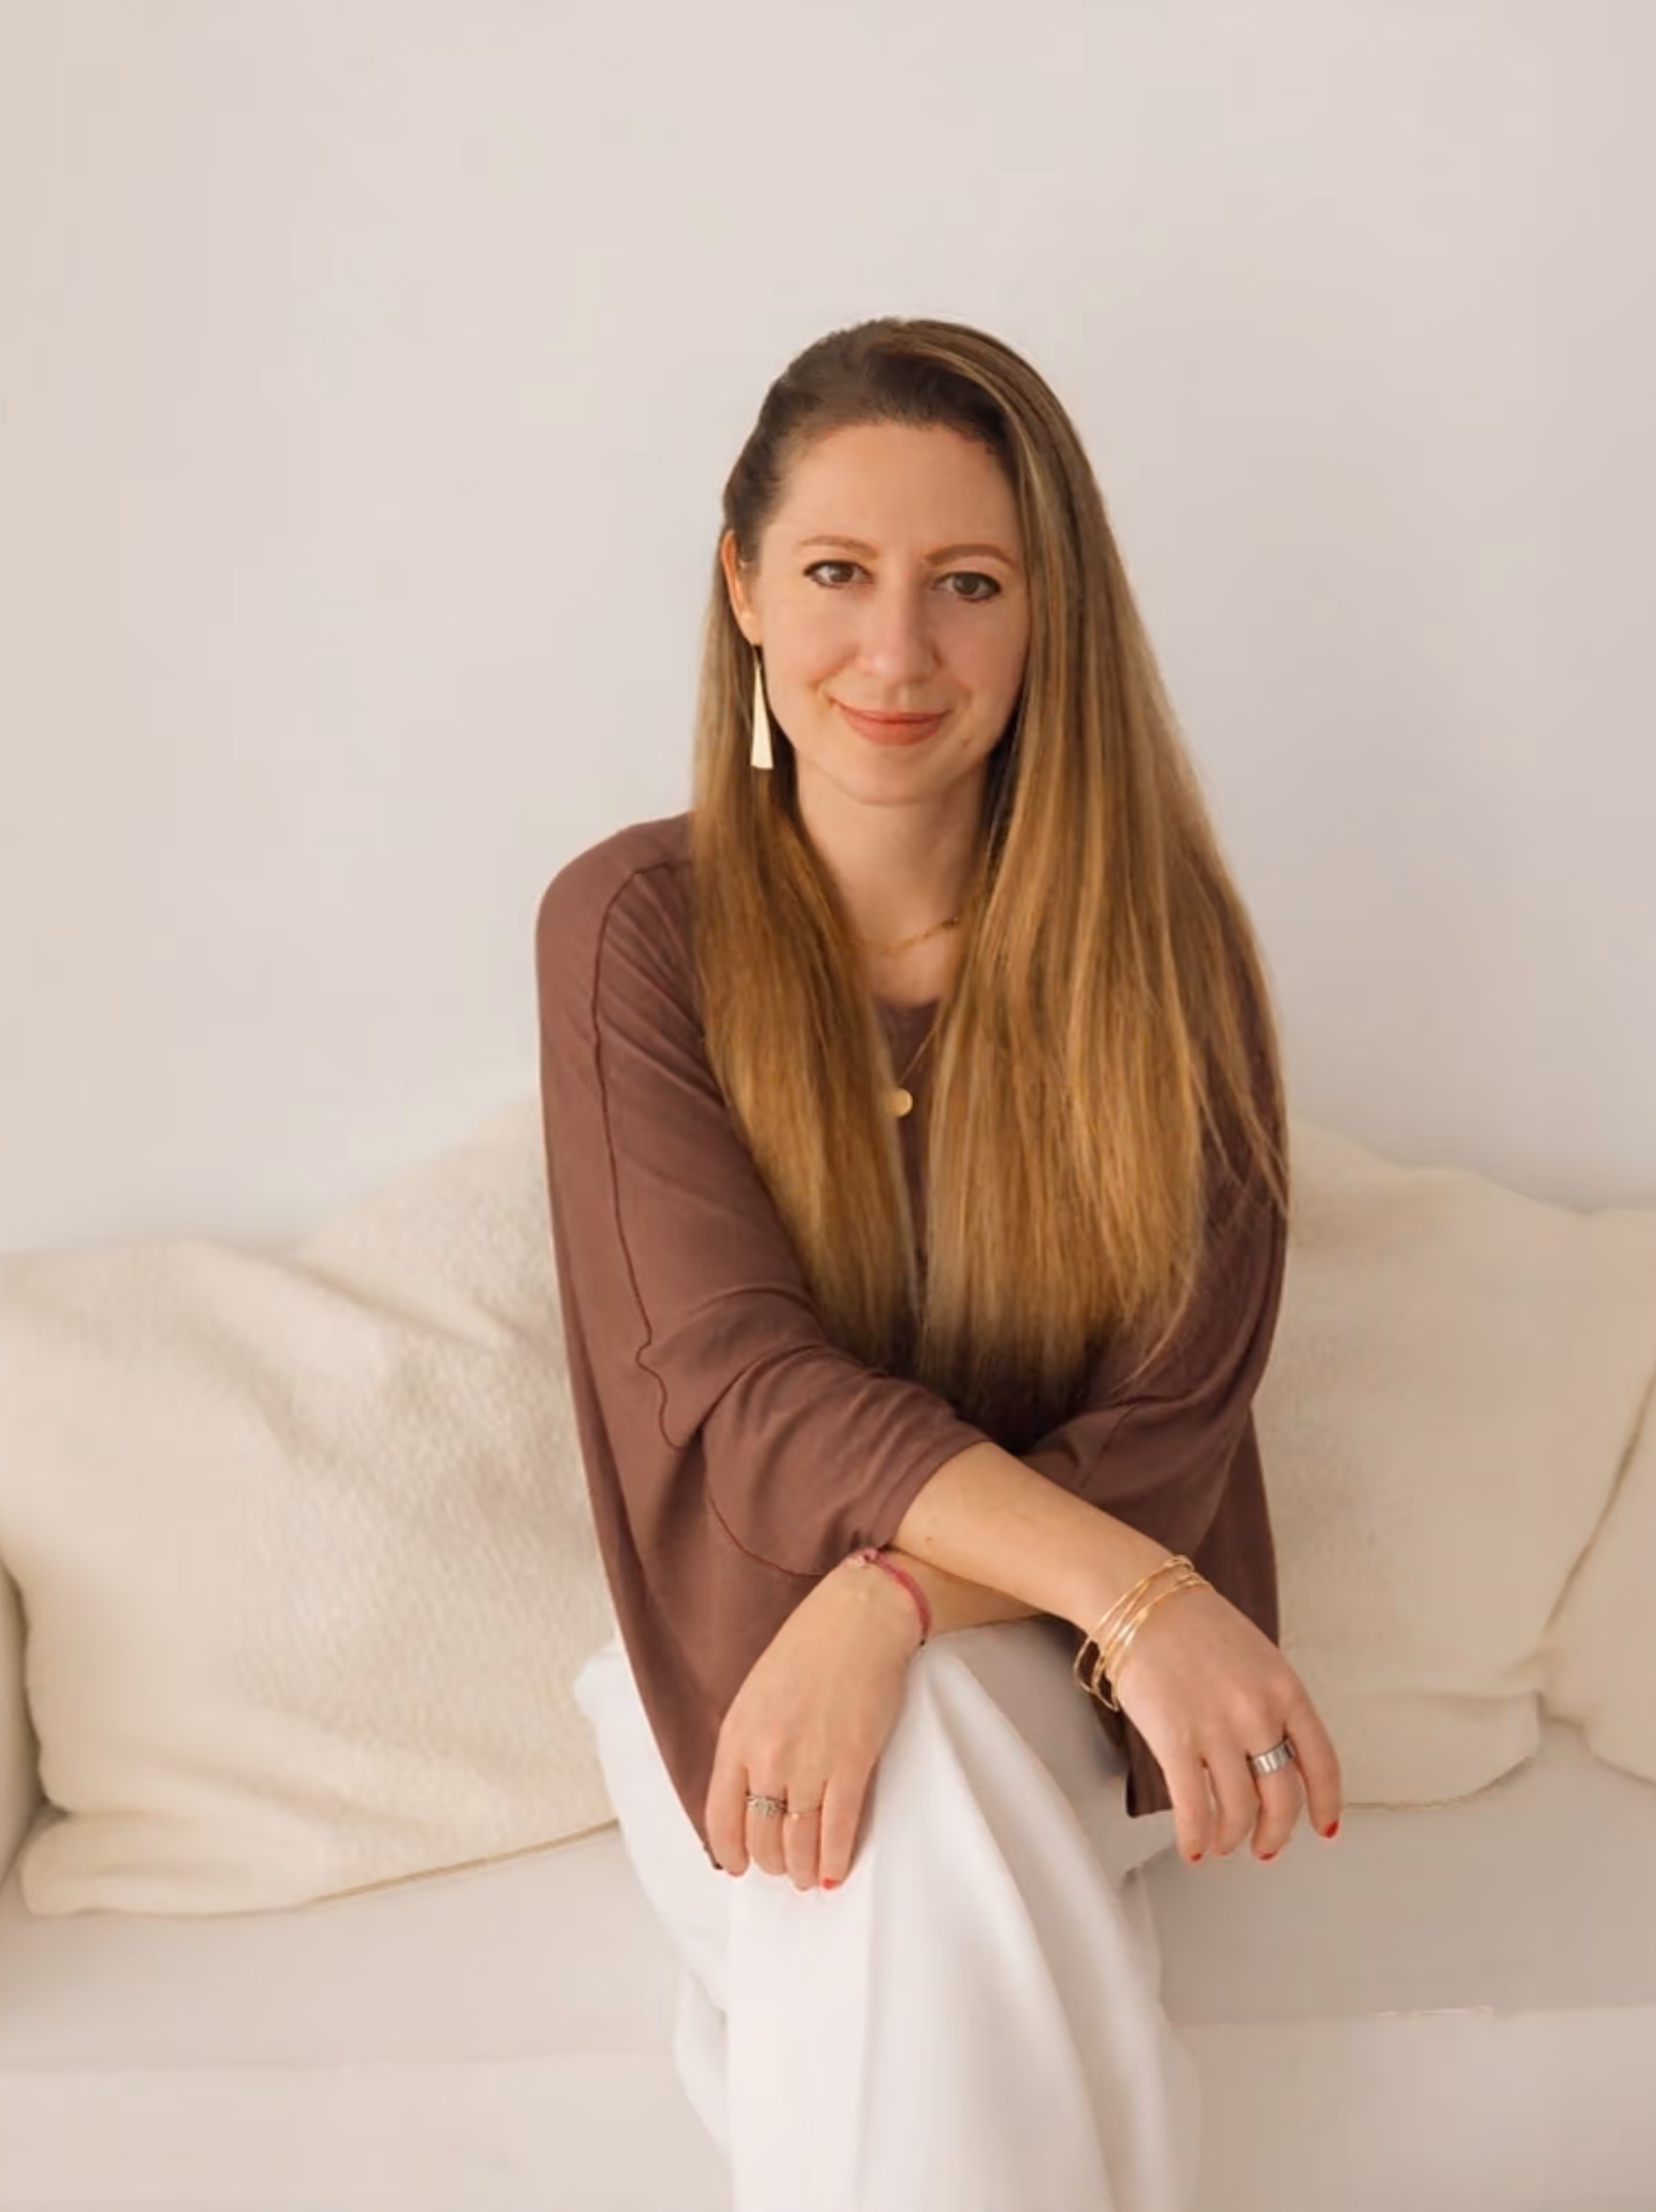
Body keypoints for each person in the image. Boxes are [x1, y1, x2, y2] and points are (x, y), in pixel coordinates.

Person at [532, 315, 1342, 2212]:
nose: (895, 651)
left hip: (1050, 1686)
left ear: (1051, 613)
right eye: (837, 572)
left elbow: (1180, 1398)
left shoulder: (1169, 952)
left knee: (923, 1793)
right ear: (742, 587)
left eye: (967, 584)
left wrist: (890, 1597)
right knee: (899, 1844)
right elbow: (735, 1384)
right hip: (741, 1690)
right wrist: (1140, 1598)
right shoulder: (631, 931)